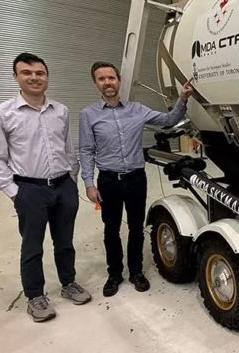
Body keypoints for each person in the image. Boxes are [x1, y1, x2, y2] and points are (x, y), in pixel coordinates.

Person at [0, 52, 92, 323]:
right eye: (27, 73)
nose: (34, 78)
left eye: (40, 73)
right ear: (16, 77)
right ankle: (34, 296)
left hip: (63, 186)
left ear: (47, 77)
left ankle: (68, 283)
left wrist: (71, 180)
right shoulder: (1, 114)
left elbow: (69, 149)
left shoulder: (61, 111)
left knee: (65, 241)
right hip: (29, 190)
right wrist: (16, 193)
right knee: (32, 245)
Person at [79, 61, 193, 297]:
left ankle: (136, 272)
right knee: (111, 230)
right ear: (95, 83)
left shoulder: (138, 110)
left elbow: (169, 120)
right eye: (102, 79)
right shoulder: (88, 115)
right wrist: (89, 183)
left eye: (111, 78)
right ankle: (114, 274)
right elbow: (86, 150)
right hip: (108, 181)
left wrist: (183, 98)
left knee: (136, 228)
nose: (107, 82)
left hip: (135, 180)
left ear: (119, 81)